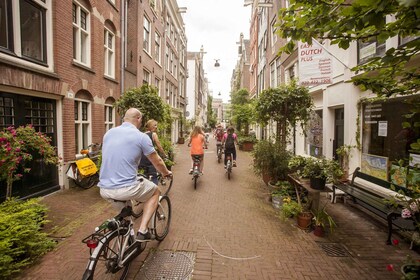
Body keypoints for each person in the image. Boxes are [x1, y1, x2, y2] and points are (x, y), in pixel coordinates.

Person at [98, 108, 172, 242]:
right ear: (138, 118)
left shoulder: (109, 133)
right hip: (126, 188)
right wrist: (166, 173)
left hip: (104, 189)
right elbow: (157, 161)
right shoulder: (141, 136)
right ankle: (143, 231)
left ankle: (126, 241)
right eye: (141, 120)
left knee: (126, 217)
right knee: (155, 191)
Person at [139, 119, 167, 185]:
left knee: (144, 176)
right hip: (150, 158)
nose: (156, 127)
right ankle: (154, 191)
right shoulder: (153, 134)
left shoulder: (142, 135)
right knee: (154, 175)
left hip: (142, 158)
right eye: (155, 125)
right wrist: (164, 154)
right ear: (151, 126)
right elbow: (159, 146)